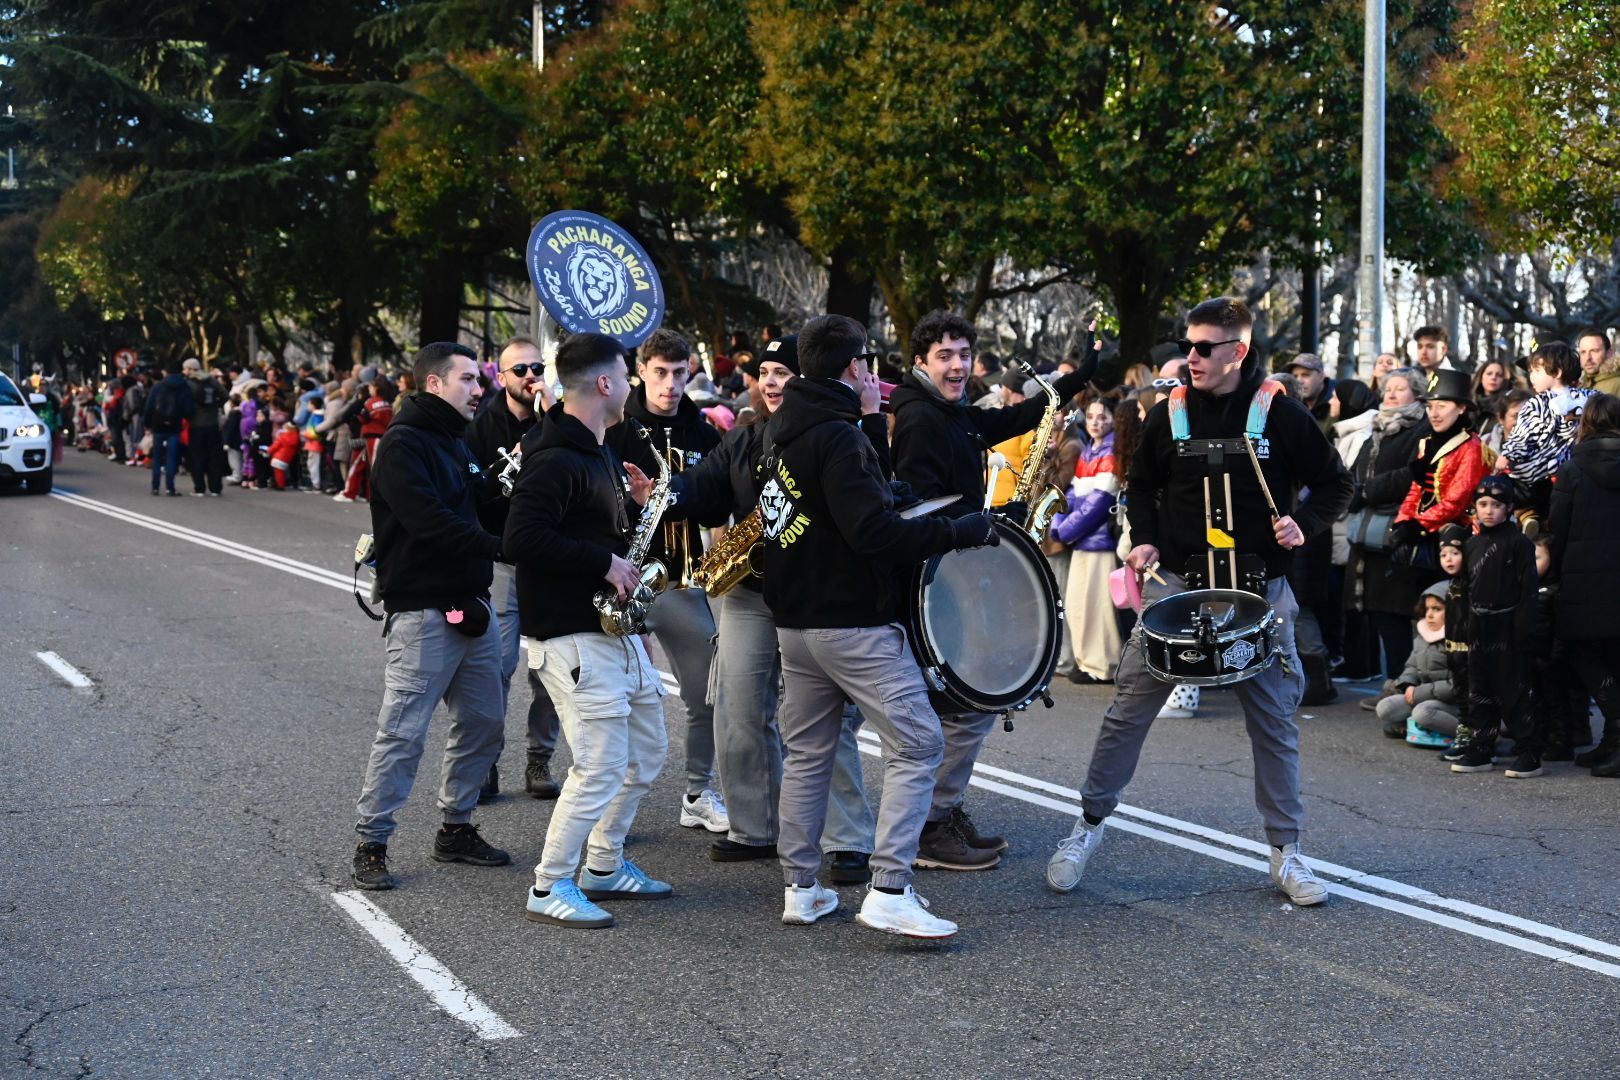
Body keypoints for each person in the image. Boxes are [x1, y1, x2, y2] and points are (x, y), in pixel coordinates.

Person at [1044, 296, 1352, 907]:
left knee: (1274, 724)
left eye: (1203, 348)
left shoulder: (1283, 416)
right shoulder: (1169, 412)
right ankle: (1086, 827)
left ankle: (1287, 852)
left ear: (1237, 352)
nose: (1191, 357)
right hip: (1179, 590)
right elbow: (1144, 486)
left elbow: (1337, 484)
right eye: (1188, 345)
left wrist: (1305, 523)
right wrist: (1147, 536)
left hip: (1258, 591)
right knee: (1127, 712)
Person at [759, 313, 1002, 937]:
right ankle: (890, 887)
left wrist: (873, 444)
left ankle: (802, 888)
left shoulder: (781, 430)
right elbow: (871, 533)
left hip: (795, 624)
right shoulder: (836, 437)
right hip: (851, 624)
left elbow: (844, 505)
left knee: (809, 754)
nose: (872, 373)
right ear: (852, 368)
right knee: (919, 742)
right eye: (866, 363)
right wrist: (958, 531)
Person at [663, 335, 878, 879]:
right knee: (738, 710)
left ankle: (846, 841)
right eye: (765, 372)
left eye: (784, 370)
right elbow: (704, 488)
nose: (774, 381)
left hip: (810, 593)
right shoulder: (743, 439)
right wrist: (663, 494)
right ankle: (754, 828)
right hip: (748, 593)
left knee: (822, 720)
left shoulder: (832, 433)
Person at [888, 309, 1095, 871]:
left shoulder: (947, 410)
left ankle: (939, 811)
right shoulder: (919, 420)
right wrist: (995, 515)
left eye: (963, 355)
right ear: (921, 363)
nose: (958, 366)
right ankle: (930, 824)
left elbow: (1004, 422)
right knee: (963, 702)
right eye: (945, 357)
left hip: (954, 572)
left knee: (967, 703)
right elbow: (916, 503)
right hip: (937, 583)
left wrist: (1073, 381)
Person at [505, 332, 670, 930]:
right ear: (604, 384)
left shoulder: (598, 450)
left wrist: (643, 507)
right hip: (571, 637)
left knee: (648, 754)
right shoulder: (554, 457)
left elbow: (603, 541)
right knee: (599, 766)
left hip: (613, 634)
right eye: (626, 374)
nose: (631, 385)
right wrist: (601, 563)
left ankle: (603, 864)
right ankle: (549, 885)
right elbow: (521, 539)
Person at [350, 342, 510, 891]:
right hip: (421, 612)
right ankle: (372, 841)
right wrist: (501, 546)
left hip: (474, 606)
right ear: (434, 384)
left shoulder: (456, 440)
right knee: (403, 733)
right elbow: (432, 522)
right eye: (468, 379)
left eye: (479, 379)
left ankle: (455, 828)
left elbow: (485, 504)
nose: (479, 388)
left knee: (485, 721)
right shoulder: (402, 444)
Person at [604, 328, 727, 834]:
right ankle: (604, 801)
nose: (671, 384)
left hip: (680, 581)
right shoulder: (616, 426)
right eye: (661, 373)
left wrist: (676, 499)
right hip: (622, 576)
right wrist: (632, 504)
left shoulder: (703, 431)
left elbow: (720, 504)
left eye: (680, 374)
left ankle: (698, 792)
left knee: (706, 694)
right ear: (641, 371)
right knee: (610, 699)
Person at [465, 336, 563, 801]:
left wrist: (553, 420)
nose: (529, 376)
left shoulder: (561, 422)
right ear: (500, 377)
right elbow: (473, 497)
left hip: (551, 567)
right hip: (503, 564)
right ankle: (485, 763)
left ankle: (539, 759)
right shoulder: (482, 428)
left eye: (536, 368)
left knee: (551, 672)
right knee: (495, 669)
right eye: (518, 369)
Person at [1343, 368, 1432, 694]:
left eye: (1400, 389)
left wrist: (1366, 491)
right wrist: (1355, 490)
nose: (1391, 394)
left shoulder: (1422, 430)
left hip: (1396, 532)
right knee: (1379, 612)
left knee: (1397, 611)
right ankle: (1395, 681)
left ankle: (1404, 683)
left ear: (1418, 395)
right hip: (1367, 533)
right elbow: (1355, 471)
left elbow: (1411, 475)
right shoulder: (1376, 428)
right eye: (1388, 388)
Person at [1548, 392, 1620, 776]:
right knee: (1611, 658)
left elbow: (1558, 526)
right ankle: (1611, 739)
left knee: (1584, 654)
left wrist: (1555, 571)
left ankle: (1618, 730)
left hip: (1584, 577)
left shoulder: (1574, 469)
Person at [1451, 476, 1540, 777]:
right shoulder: (1472, 543)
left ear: (1510, 508)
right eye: (1483, 504)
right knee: (1479, 688)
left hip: (1508, 624)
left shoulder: (1519, 543)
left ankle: (1529, 750)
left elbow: (1528, 590)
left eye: (1497, 505)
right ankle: (1481, 746)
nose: (1489, 511)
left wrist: (1523, 629)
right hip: (1479, 625)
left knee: (1513, 689)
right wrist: (1463, 625)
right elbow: (1464, 588)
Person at [1049, 395, 1122, 684]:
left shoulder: (1110, 450)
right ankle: (1087, 661)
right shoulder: (1091, 449)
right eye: (1091, 416)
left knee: (1097, 606)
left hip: (1098, 542)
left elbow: (1100, 501)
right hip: (1083, 540)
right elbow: (1073, 494)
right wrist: (1060, 522)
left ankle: (1103, 664)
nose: (1095, 422)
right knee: (1079, 605)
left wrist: (1064, 529)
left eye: (1102, 416)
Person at [1499, 340, 1593, 522]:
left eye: (1536, 371)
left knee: (1508, 488)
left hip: (1537, 474)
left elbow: (1523, 435)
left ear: (1556, 373)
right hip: (1572, 475)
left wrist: (1507, 455)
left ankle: (1527, 515)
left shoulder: (1537, 403)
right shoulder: (1588, 399)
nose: (1531, 376)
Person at [1374, 582, 1459, 745]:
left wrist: (1419, 693)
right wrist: (1405, 685)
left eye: (1437, 609)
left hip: (1456, 704)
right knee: (1385, 707)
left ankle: (1475, 736)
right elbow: (1412, 667)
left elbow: (1460, 685)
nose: (1429, 615)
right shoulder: (1424, 635)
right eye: (1427, 609)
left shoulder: (1462, 640)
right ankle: (1424, 726)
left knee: (1423, 712)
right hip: (1426, 695)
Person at [143, 360, 195, 496]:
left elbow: (149, 407)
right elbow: (189, 409)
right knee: (172, 457)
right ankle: (170, 487)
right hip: (175, 425)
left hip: (158, 425)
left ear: (165, 372)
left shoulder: (158, 387)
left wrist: (147, 423)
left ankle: (155, 486)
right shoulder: (184, 387)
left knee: (158, 456)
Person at [182, 358, 228, 496]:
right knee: (214, 456)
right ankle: (216, 488)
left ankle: (199, 488)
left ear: (190, 369)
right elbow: (225, 395)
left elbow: (184, 402)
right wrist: (215, 406)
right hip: (213, 424)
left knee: (197, 456)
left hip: (195, 424)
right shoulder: (211, 380)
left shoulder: (188, 384)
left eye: (185, 368)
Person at [1576, 327, 1620, 395]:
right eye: (1583, 352)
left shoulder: (1617, 385)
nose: (1588, 357)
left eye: (1594, 351)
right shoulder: (1580, 387)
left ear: (1609, 353)